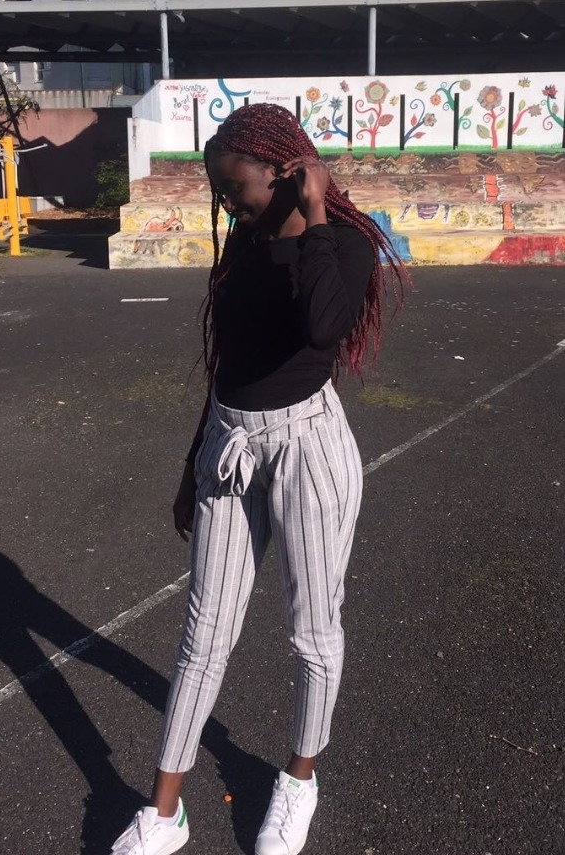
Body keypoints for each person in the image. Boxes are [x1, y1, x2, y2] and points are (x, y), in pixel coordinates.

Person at [111, 103, 406, 855]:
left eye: (233, 187)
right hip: (229, 445)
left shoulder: (343, 245)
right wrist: (192, 465)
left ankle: (299, 781)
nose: (225, 202)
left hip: (308, 448)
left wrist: (314, 215)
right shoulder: (242, 243)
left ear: (282, 172)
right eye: (217, 189)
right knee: (203, 634)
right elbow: (229, 366)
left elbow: (323, 326)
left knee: (311, 632)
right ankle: (164, 813)